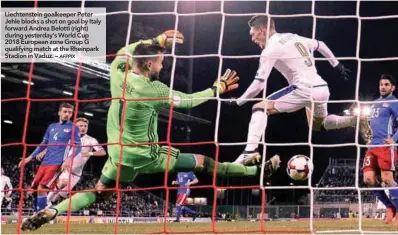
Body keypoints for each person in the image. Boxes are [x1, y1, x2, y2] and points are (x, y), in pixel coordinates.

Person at [21, 30, 281, 231]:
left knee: (99, 193)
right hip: (147, 155)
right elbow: (188, 100)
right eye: (159, 62)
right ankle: (255, 170)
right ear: (147, 65)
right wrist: (216, 89)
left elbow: (124, 51)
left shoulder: (117, 73)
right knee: (206, 163)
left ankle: (53, 211)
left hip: (118, 156)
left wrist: (157, 39)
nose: (162, 66)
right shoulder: (154, 90)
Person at [231, 16, 360, 164]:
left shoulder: (270, 49)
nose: (252, 39)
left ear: (262, 30)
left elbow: (259, 85)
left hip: (302, 89)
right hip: (322, 88)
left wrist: (239, 102)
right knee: (318, 125)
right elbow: (321, 45)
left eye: (253, 34)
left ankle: (249, 151)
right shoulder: (293, 36)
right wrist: (337, 65)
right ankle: (353, 120)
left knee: (259, 108)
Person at [362, 75, 398, 226]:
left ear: (392, 87)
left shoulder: (395, 102)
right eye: (381, 84)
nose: (382, 87)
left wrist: (394, 139)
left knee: (388, 179)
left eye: (386, 84)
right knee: (368, 179)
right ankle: (389, 207)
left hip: (385, 146)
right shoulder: (374, 104)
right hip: (372, 146)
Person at [18, 103, 81, 212]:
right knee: (34, 189)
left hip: (57, 163)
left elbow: (78, 146)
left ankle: (40, 214)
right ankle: (37, 212)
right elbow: (43, 144)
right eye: (65, 111)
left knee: (42, 188)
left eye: (70, 112)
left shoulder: (73, 128)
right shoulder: (51, 127)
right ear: (59, 113)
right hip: (45, 162)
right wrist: (29, 158)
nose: (67, 114)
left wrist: (68, 159)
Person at [46, 117, 106, 206]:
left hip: (76, 174)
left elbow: (103, 152)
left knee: (59, 196)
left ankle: (48, 208)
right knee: (62, 183)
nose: (83, 128)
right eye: (80, 126)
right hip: (65, 168)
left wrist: (89, 153)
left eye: (85, 126)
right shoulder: (69, 138)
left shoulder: (91, 140)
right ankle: (46, 201)